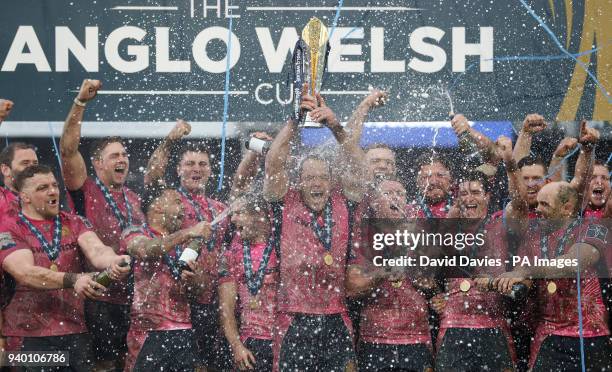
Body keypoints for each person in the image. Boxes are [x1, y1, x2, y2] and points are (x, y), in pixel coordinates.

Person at [264, 86, 365, 371]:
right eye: (310, 178)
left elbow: (361, 168)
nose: (317, 183)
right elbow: (274, 162)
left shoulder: (342, 200)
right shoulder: (286, 200)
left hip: (336, 316)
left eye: (322, 178)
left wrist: (335, 126)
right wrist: (295, 120)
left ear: (331, 181)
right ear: (299, 181)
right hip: (293, 317)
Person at [0, 165, 131, 371]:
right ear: (25, 197)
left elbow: (97, 250)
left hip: (75, 331)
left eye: (54, 185)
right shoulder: (9, 227)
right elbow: (25, 273)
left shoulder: (74, 221)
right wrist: (74, 279)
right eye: (42, 188)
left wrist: (113, 260)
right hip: (28, 337)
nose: (53, 191)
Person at [59, 78, 145, 370]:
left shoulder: (134, 197)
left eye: (124, 154)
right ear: (97, 164)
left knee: (128, 363)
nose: (123, 159)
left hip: (133, 298)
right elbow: (68, 151)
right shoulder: (84, 189)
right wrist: (80, 103)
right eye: (114, 156)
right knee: (103, 366)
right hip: (98, 298)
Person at [144, 120, 230, 370]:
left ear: (211, 170)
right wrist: (170, 140)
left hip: (212, 304)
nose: (197, 169)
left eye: (203, 164)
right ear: (179, 169)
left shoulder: (220, 209)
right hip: (177, 302)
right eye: (190, 163)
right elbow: (152, 176)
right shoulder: (169, 202)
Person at [433, 144, 518, 371]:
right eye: (463, 193)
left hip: (494, 325)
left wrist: (510, 165)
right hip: (453, 326)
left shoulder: (500, 222)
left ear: (488, 196)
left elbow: (518, 205)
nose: (469, 198)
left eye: (476, 192)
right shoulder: (448, 227)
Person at [346, 177, 434, 372]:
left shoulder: (421, 231)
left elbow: (431, 283)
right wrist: (383, 272)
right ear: (375, 204)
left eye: (400, 193)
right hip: (375, 339)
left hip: (416, 338)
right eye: (388, 193)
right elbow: (352, 286)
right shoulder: (363, 235)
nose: (395, 198)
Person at [120, 185, 212, 371]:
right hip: (148, 332)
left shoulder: (186, 243)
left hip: (183, 332)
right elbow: (147, 250)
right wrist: (187, 232)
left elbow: (200, 290)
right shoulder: (134, 233)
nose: (184, 208)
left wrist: (194, 279)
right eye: (177, 202)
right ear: (158, 206)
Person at [219, 194, 279, 371]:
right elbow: (226, 309)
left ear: (259, 214)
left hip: (286, 340)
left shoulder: (282, 247)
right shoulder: (230, 255)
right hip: (250, 344)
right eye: (232, 214)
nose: (233, 219)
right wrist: (237, 346)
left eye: (239, 213)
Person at [0, 143, 38, 216]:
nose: (32, 168)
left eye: (35, 164)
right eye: (25, 163)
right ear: (5, 170)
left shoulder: (45, 198)